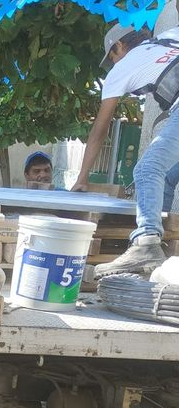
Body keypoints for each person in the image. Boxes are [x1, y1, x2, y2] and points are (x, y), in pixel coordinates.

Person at [72, 23, 179, 278]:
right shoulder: (169, 36)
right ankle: (155, 249)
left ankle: (146, 244)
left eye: (112, 57)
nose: (113, 63)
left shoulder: (120, 69)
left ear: (119, 46)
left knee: (147, 169)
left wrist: (82, 178)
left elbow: (100, 129)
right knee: (164, 174)